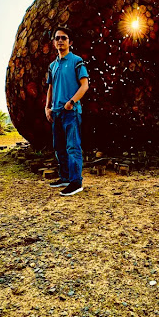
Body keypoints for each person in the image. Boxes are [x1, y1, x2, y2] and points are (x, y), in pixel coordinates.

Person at [45, 27, 89, 196]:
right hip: (56, 112)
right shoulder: (52, 66)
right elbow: (50, 87)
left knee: (72, 147)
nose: (60, 41)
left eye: (64, 38)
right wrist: (47, 107)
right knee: (59, 147)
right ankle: (64, 177)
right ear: (54, 42)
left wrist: (72, 102)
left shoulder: (77, 61)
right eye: (57, 38)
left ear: (70, 42)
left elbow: (85, 85)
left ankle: (76, 182)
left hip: (71, 111)